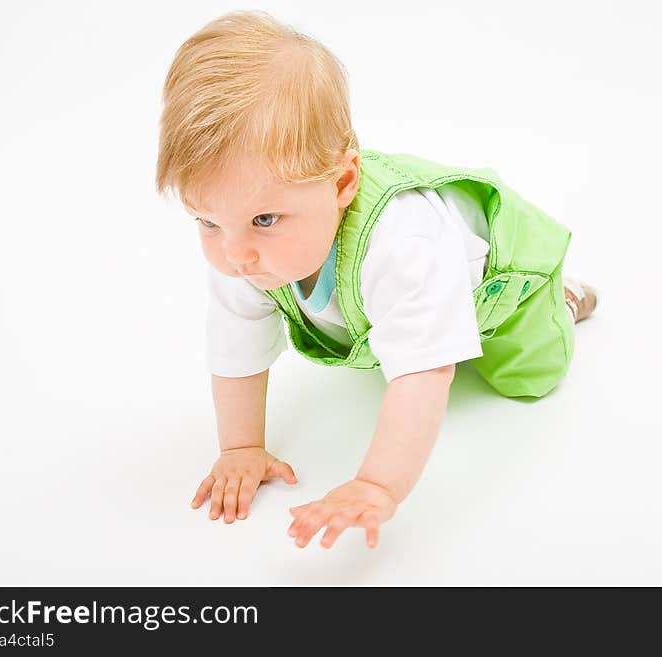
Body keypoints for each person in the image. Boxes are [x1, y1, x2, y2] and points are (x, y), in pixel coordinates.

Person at [155, 10, 598, 550]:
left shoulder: (402, 245)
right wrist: (240, 447)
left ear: (342, 182)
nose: (235, 253)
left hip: (502, 276)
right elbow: (236, 347)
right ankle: (414, 321)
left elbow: (427, 374)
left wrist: (377, 484)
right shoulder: (243, 242)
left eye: (264, 220)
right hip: (409, 287)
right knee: (398, 337)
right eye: (207, 221)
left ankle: (564, 297)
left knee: (527, 379)